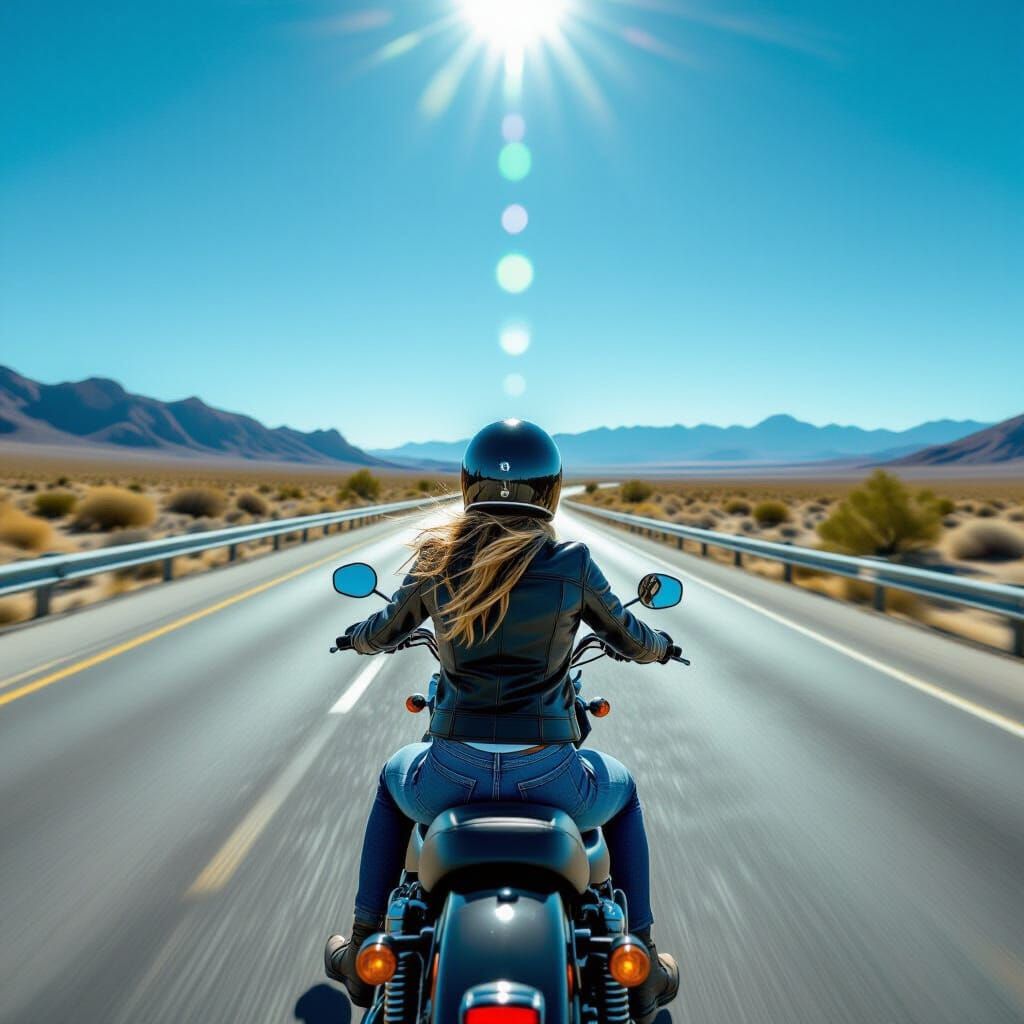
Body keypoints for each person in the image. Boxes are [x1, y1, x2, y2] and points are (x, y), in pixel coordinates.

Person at [325, 419, 679, 1023]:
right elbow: (628, 634)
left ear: (469, 484)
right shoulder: (572, 561)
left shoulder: (438, 558)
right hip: (552, 775)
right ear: (551, 490)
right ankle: (641, 957)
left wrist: (356, 637)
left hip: (448, 775)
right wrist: (660, 645)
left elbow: (386, 630)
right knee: (626, 791)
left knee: (390, 777)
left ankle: (363, 942)